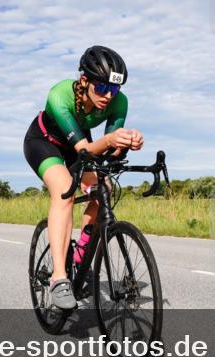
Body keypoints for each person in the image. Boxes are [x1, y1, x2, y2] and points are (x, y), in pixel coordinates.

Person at [23, 46, 144, 310]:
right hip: (44, 142)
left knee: (104, 188)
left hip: (81, 144)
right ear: (84, 80)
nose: (108, 96)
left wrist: (126, 143)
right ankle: (59, 277)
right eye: (102, 88)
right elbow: (84, 149)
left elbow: (108, 151)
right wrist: (110, 140)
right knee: (64, 188)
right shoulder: (60, 94)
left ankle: (80, 255)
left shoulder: (118, 102)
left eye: (114, 90)